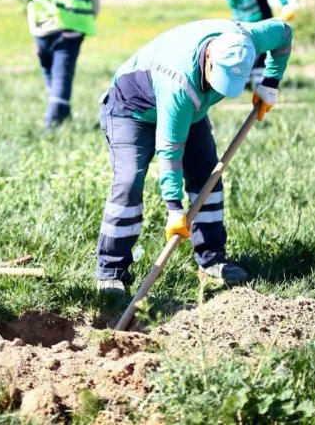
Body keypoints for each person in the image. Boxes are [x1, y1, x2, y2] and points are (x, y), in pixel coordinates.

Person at [95, 18, 292, 295]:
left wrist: (271, 81)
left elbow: (284, 33)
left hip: (191, 110)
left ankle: (212, 261)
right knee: (129, 183)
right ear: (209, 56)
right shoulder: (179, 82)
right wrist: (174, 208)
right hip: (132, 110)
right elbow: (170, 151)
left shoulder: (248, 38)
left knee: (206, 176)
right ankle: (111, 272)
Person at [20, 0, 100, 129]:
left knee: (50, 74)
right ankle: (52, 126)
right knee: (62, 77)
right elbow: (95, 6)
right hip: (71, 29)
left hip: (41, 25)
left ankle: (61, 115)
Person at [215, 0, 298, 87]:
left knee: (259, 57)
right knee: (244, 57)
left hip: (263, 27)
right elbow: (236, 14)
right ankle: (248, 83)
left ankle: (261, 85)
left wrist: (285, 5)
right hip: (245, 32)